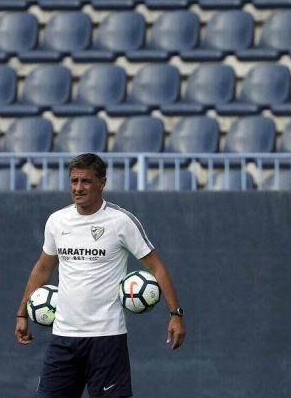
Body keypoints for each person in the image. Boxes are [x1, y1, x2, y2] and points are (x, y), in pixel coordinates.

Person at [15, 153, 186, 398]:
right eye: (74, 181)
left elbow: (157, 267)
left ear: (102, 183)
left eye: (86, 181)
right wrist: (22, 313)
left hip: (107, 338)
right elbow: (43, 268)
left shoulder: (121, 221)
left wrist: (175, 315)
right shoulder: (57, 221)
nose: (78, 188)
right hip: (64, 337)